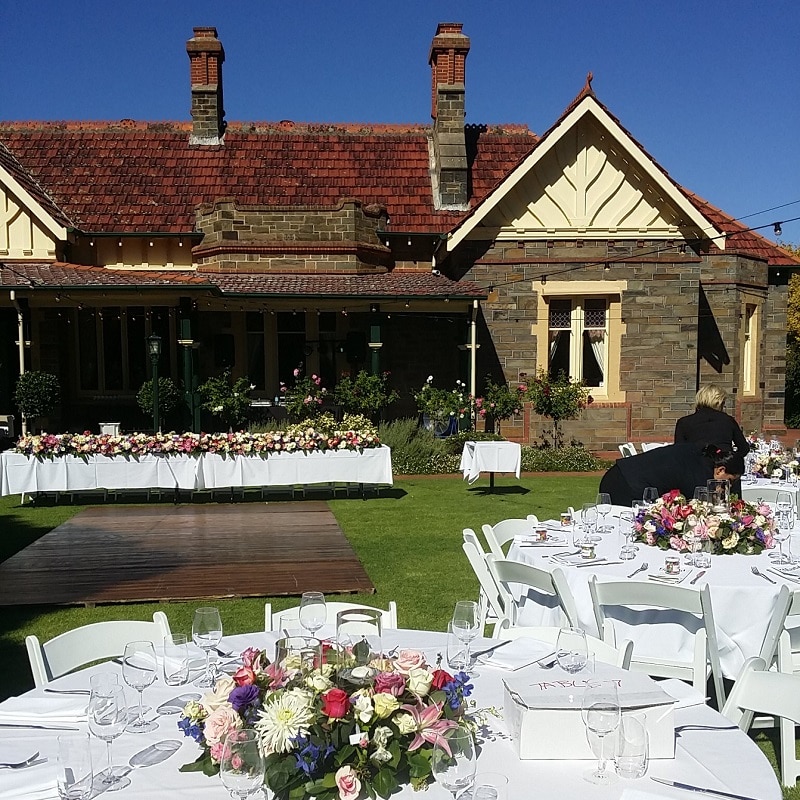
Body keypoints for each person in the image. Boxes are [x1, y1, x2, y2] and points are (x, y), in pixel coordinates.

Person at [598, 442, 745, 507]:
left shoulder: (702, 454)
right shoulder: (700, 476)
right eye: (729, 481)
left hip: (620, 472)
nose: (728, 486)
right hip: (625, 484)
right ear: (721, 470)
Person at [674, 385, 750, 456]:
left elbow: (678, 451)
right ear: (719, 403)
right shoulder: (727, 420)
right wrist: (730, 458)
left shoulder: (684, 422)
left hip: (695, 466)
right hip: (722, 466)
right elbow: (744, 448)